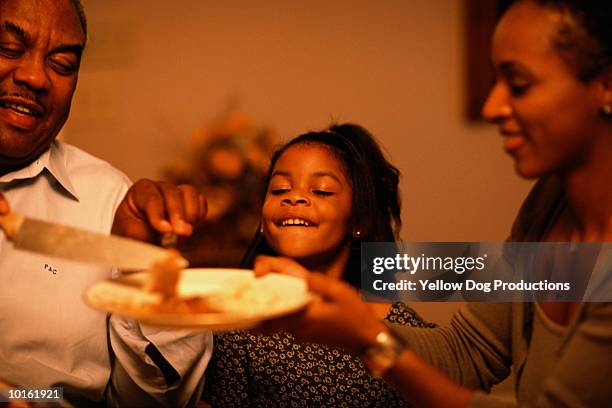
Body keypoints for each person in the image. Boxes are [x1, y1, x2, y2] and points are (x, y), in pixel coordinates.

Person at [253, 1, 612, 407]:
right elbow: (470, 349)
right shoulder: (547, 203)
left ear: (606, 84)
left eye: (519, 84)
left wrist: (371, 340)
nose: (491, 107)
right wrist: (354, 326)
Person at [0, 0, 211, 406]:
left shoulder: (108, 201)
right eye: (9, 48)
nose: (33, 77)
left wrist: (143, 269)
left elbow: (153, 401)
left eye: (62, 64)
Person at [202, 124, 434, 407]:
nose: (294, 197)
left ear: (359, 221)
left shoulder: (401, 328)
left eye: (322, 191)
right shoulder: (240, 322)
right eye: (279, 189)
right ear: (262, 221)